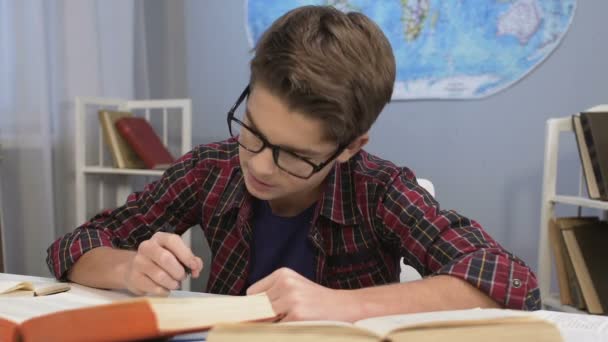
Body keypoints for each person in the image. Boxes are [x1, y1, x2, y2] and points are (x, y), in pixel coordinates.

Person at [47, 5, 540, 322]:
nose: (260, 166)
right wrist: (129, 268)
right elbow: (73, 247)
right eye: (253, 133)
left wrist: (343, 306)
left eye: (297, 156)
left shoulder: (380, 189)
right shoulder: (210, 169)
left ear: (349, 146)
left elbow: (510, 280)